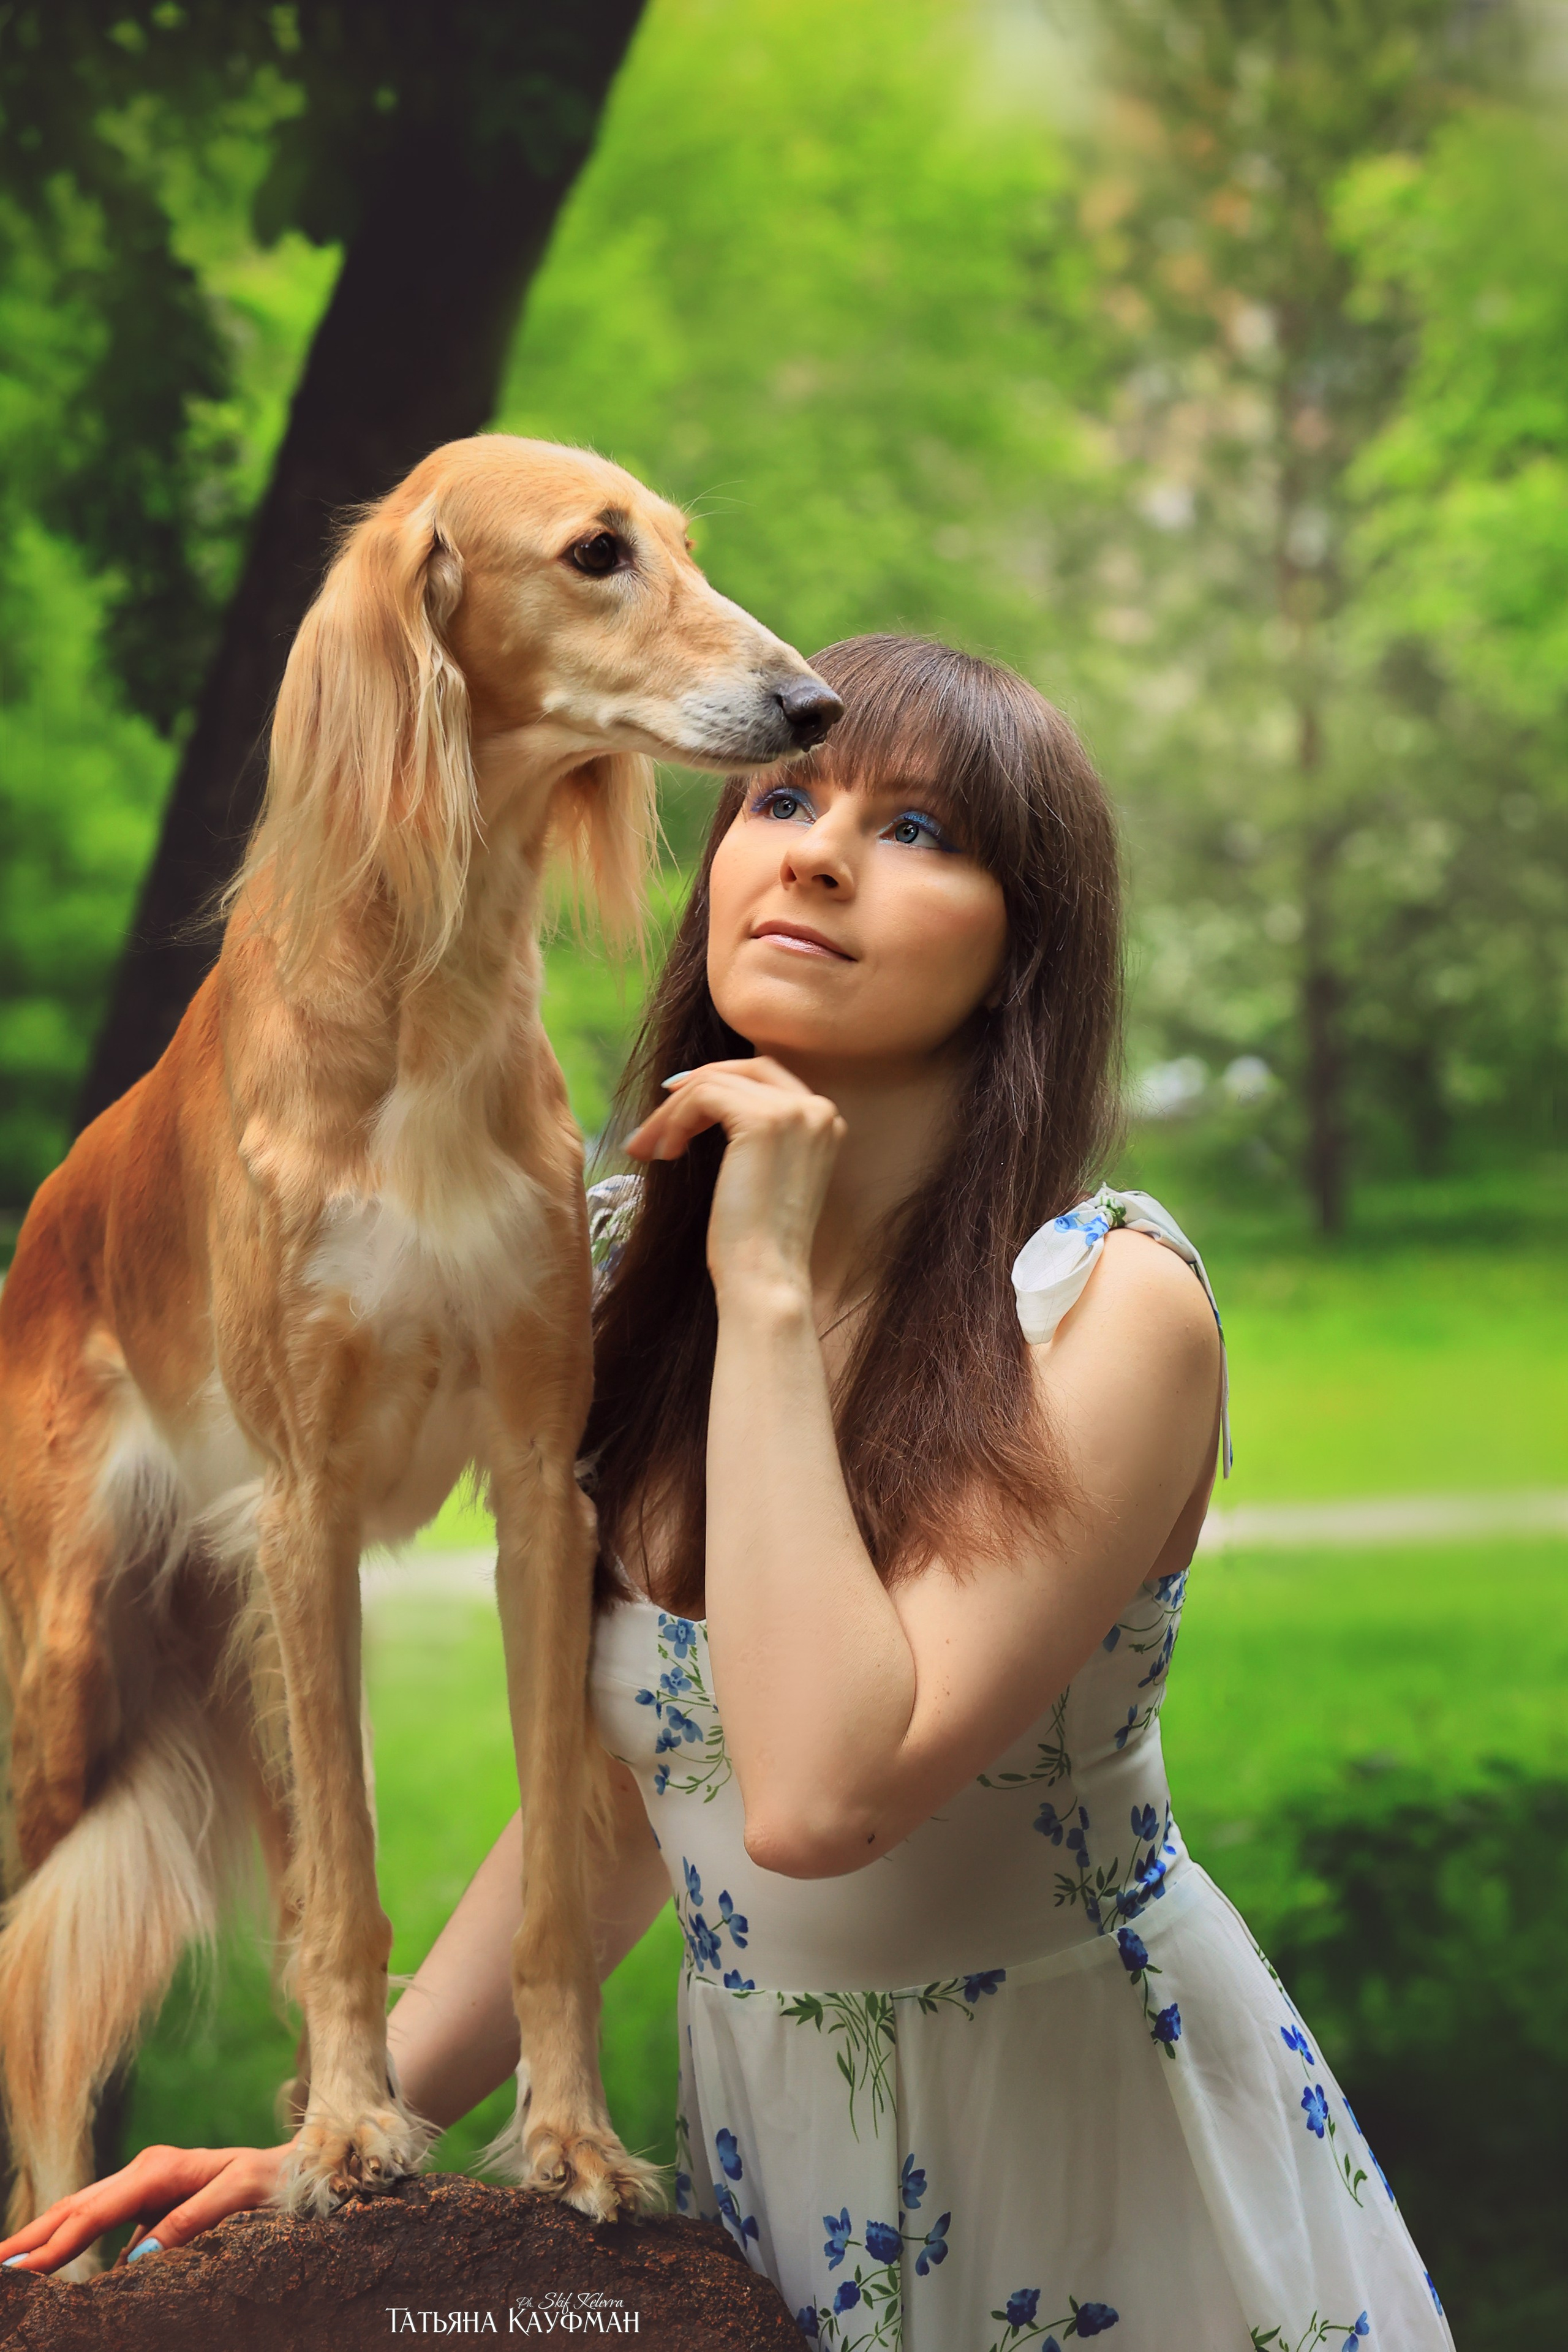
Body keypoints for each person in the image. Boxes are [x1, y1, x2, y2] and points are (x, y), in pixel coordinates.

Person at [1, 635, 1452, 2350]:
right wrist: (349, 2135)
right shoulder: (617, 1275)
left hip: (1094, 2163)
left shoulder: (1105, 1305)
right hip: (789, 2164)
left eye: (918, 831)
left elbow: (821, 1796)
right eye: (784, 797)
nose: (818, 850)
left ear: (1021, 956)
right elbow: (625, 1792)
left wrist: (766, 1288)